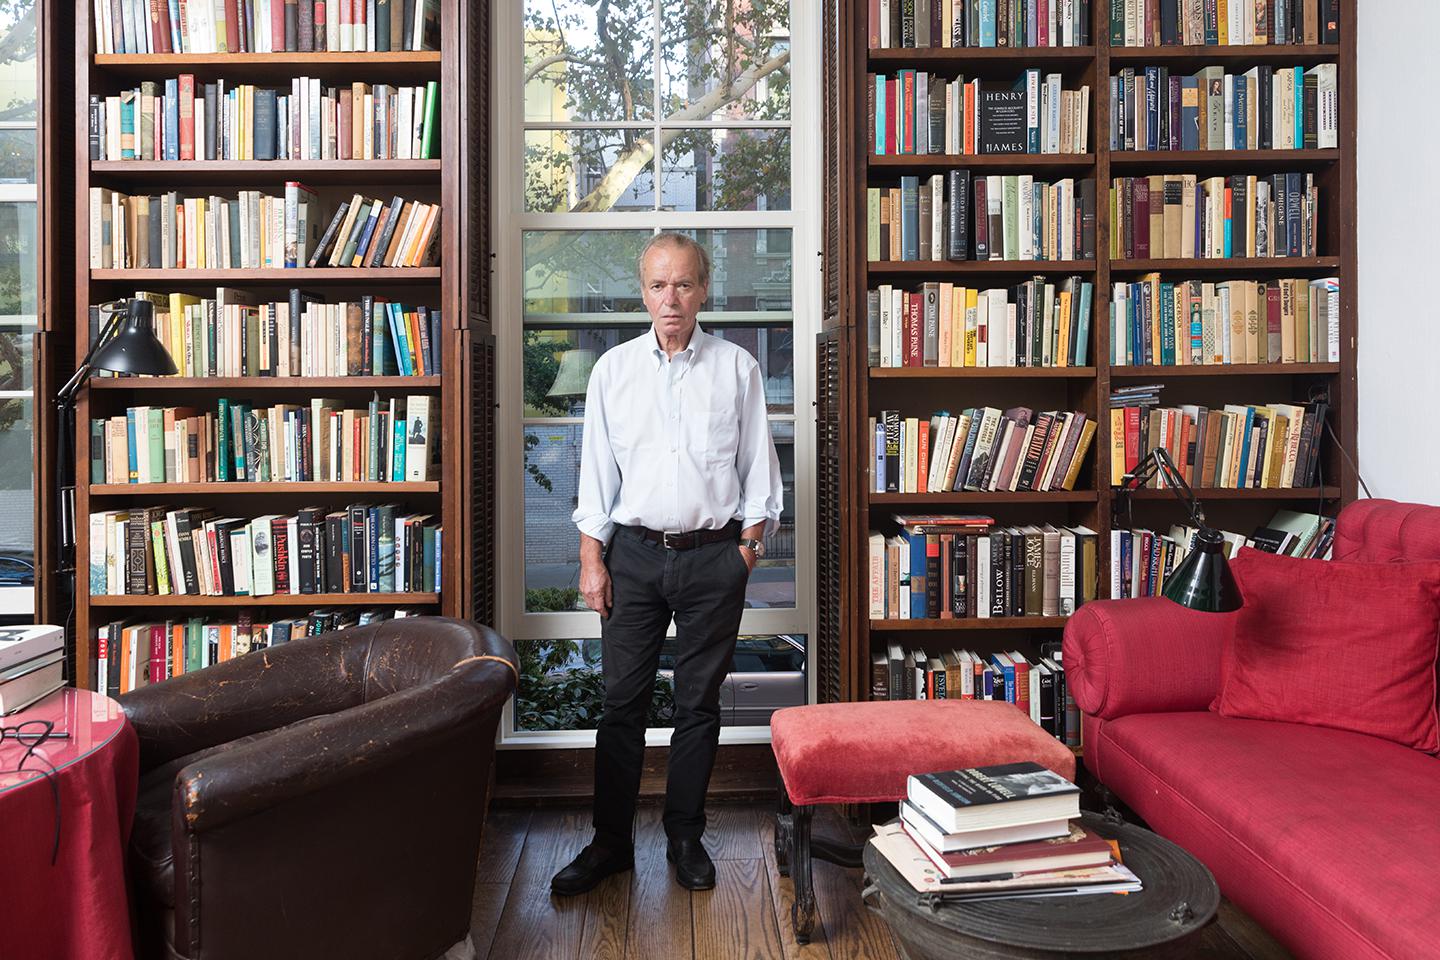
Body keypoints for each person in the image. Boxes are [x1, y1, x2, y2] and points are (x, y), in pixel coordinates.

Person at [550, 232, 783, 896]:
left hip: (714, 558)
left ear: (703, 289)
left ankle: (685, 837)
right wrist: (592, 562)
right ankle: (610, 845)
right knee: (620, 704)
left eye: (683, 284)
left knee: (698, 706)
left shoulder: (736, 367)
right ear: (642, 291)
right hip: (633, 558)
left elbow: (759, 472)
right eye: (658, 285)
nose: (670, 298)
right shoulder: (613, 371)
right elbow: (595, 477)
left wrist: (748, 549)